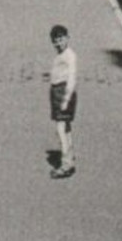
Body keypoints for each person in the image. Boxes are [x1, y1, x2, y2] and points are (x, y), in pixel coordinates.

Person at [48, 24, 78, 179]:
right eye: (56, 40)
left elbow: (72, 77)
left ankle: (66, 163)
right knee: (65, 127)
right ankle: (69, 158)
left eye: (61, 39)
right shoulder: (60, 55)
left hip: (63, 92)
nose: (59, 42)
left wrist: (66, 99)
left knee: (60, 128)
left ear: (67, 38)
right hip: (57, 92)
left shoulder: (69, 55)